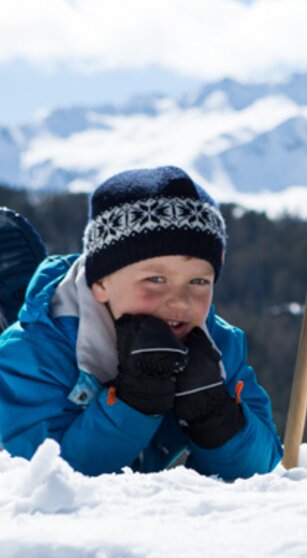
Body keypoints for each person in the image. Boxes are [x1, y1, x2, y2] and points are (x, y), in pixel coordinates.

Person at [0, 166, 282, 479]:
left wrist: (215, 417)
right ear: (101, 283)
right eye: (156, 279)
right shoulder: (35, 352)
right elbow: (41, 479)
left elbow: (260, 469)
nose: (180, 301)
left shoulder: (217, 344)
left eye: (199, 280)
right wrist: (134, 404)